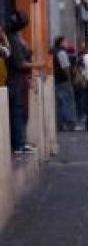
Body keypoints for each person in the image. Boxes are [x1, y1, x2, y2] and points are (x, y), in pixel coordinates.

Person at [6, 11, 38, 155]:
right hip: (16, 80)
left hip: (19, 80)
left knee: (21, 111)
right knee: (19, 111)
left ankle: (20, 142)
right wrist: (38, 65)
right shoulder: (13, 39)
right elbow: (19, 63)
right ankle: (19, 144)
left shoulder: (15, 37)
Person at [52, 36, 78, 132]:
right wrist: (69, 79)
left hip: (56, 81)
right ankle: (71, 124)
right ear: (61, 43)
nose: (67, 44)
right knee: (68, 103)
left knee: (59, 104)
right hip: (63, 81)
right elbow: (65, 67)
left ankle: (59, 125)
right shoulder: (62, 53)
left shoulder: (53, 51)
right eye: (66, 42)